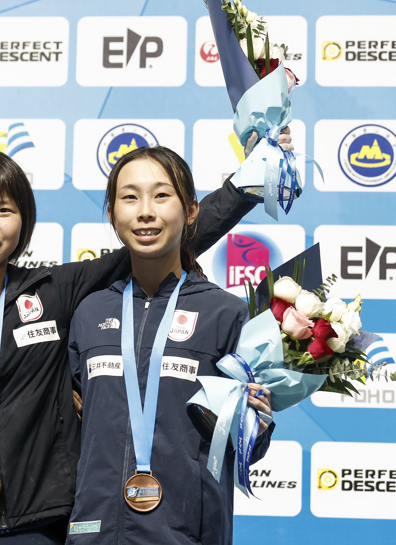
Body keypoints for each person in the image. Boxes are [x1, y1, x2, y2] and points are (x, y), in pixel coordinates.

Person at [0, 148, 268, 545]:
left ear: (25, 221)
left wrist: (246, 187)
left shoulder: (56, 295)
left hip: (41, 529)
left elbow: (158, 239)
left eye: (4, 211)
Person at [66, 146, 273, 545]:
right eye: (130, 197)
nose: (145, 211)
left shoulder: (225, 314)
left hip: (185, 534)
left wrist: (256, 425)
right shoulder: (88, 313)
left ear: (191, 210)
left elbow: (245, 444)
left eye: (161, 195)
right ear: (112, 214)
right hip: (94, 532)